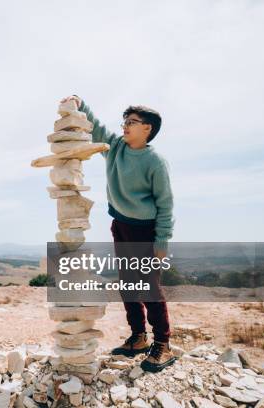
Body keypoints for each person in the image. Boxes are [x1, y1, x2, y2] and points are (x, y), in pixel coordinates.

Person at [59, 95, 176, 372]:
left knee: (149, 288)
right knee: (128, 285)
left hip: (145, 230)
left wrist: (162, 241)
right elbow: (96, 129)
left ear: (147, 129)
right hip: (121, 226)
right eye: (124, 121)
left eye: (132, 122)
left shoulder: (155, 161)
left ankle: (163, 344)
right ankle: (138, 337)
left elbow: (166, 203)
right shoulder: (116, 148)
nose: (125, 126)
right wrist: (81, 103)